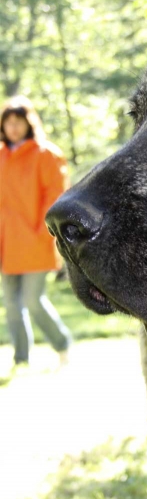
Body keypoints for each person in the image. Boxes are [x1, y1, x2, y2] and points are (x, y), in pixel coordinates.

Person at [0, 96, 72, 369]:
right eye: (8, 122)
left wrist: (43, 233)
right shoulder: (1, 156)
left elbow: (55, 197)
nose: (13, 127)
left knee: (32, 301)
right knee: (12, 306)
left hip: (35, 241)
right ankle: (21, 359)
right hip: (6, 243)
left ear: (28, 124)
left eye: (18, 122)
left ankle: (62, 344)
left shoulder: (46, 154)